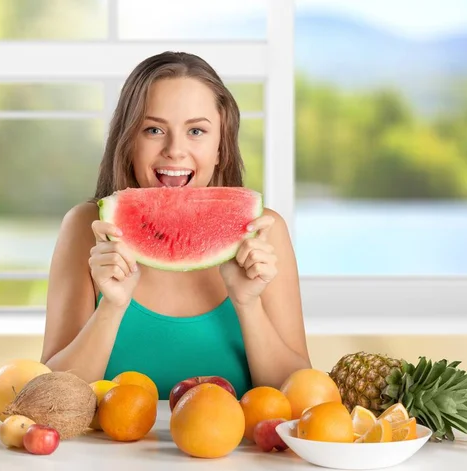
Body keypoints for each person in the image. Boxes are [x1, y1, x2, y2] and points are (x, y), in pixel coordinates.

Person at [40, 51, 311, 399]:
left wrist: (248, 304)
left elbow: (300, 398)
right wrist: (112, 306)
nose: (175, 150)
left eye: (196, 130)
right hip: (110, 453)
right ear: (128, 142)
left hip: (231, 453)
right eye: (153, 130)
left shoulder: (263, 231)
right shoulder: (86, 228)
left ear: (221, 147)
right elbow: (51, 398)